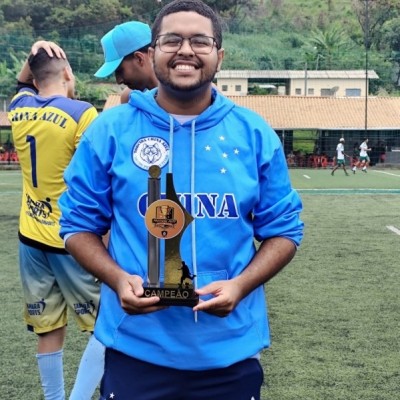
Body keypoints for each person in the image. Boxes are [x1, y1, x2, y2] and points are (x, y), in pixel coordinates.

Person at [58, 1, 304, 399]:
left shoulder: (254, 133)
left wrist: (241, 285)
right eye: (171, 40)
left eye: (200, 41)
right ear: (152, 52)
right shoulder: (110, 131)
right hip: (135, 350)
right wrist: (117, 279)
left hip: (229, 354)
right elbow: (77, 226)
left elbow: (285, 231)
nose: (185, 50)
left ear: (219, 55)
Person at [7, 41, 104, 400]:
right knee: (105, 326)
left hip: (30, 238)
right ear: (67, 73)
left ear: (34, 78)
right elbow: (96, 178)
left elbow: (22, 84)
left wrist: (32, 55)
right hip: (72, 238)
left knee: (47, 328)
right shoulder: (82, 113)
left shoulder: (19, 107)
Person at [94, 21, 158, 103]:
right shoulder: (129, 98)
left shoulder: (175, 92)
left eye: (120, 71)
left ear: (139, 58)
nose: (119, 81)